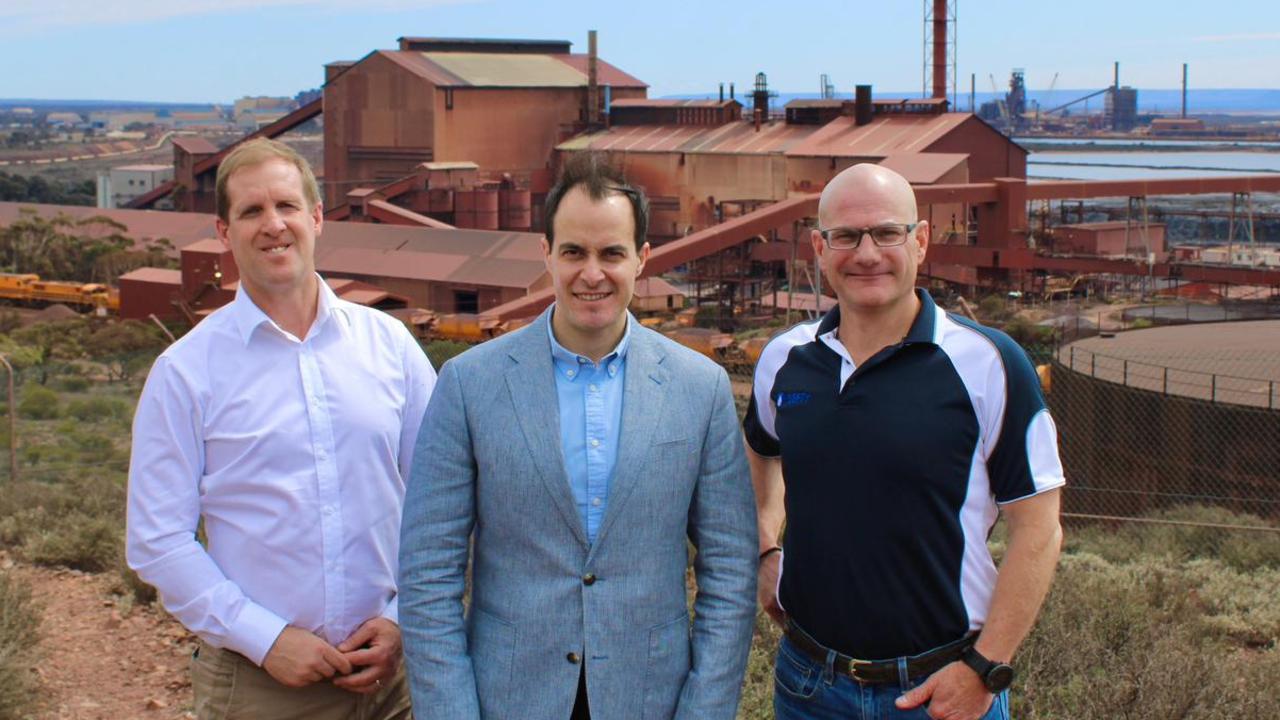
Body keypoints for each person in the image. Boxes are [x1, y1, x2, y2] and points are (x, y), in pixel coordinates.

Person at [398, 154, 757, 720]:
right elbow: (427, 573)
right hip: (509, 699)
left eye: (611, 253)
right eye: (574, 252)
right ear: (546, 254)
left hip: (650, 699)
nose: (593, 273)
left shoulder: (700, 389)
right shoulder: (470, 383)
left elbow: (731, 571)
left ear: (642, 259)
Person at [126, 138, 436, 719]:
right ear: (224, 232)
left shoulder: (388, 345)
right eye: (252, 212)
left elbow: (437, 497)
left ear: (317, 217)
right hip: (263, 690)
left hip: (394, 678)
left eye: (287, 206)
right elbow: (157, 540)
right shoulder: (187, 372)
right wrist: (266, 639)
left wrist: (400, 622)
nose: (274, 226)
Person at [745, 164, 1065, 720]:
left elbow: (1039, 531)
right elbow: (761, 449)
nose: (866, 254)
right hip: (808, 683)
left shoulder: (988, 363)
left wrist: (986, 669)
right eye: (846, 236)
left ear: (920, 241)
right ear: (820, 249)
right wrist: (766, 546)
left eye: (886, 233)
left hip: (941, 686)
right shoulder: (785, 359)